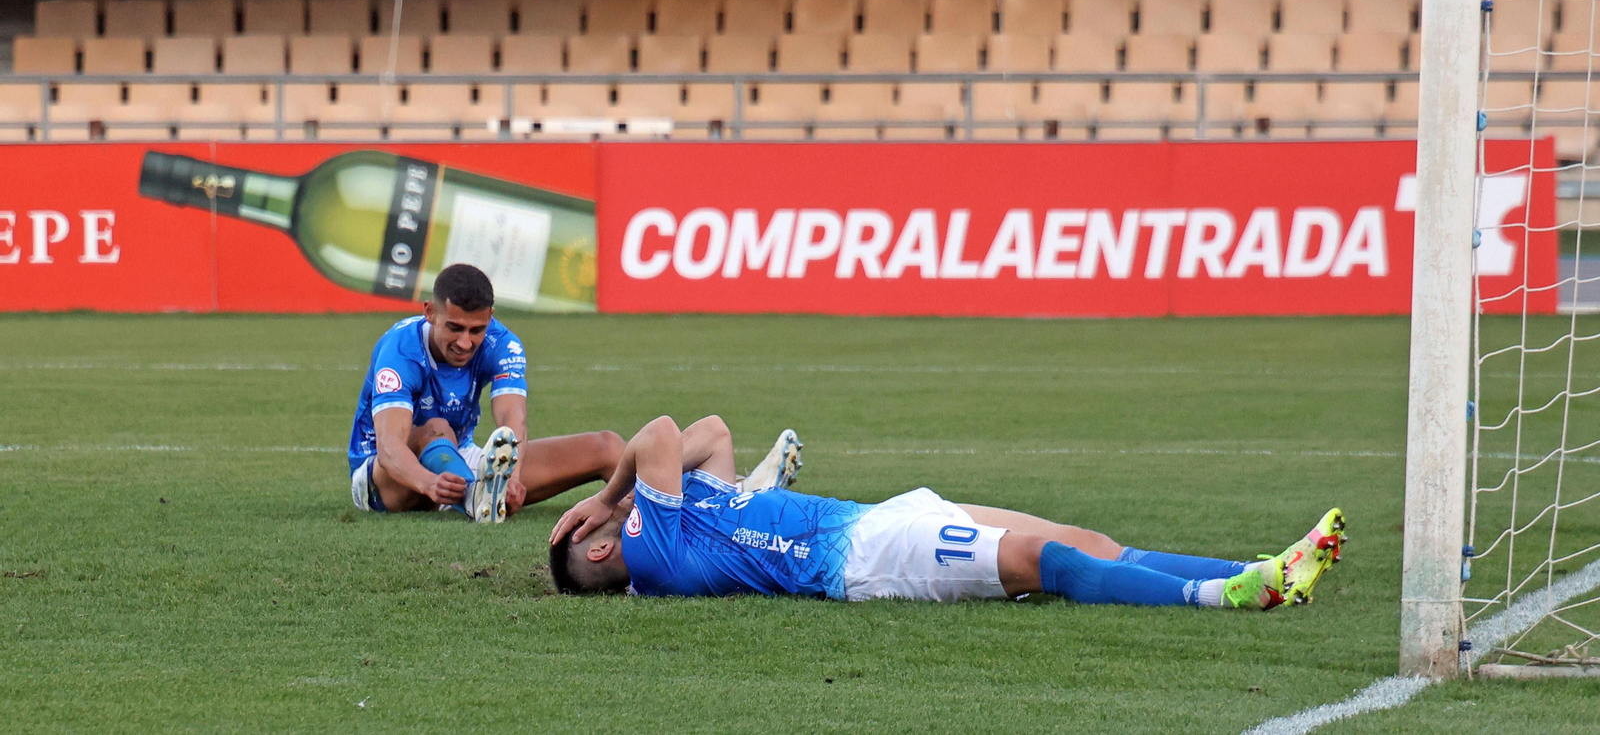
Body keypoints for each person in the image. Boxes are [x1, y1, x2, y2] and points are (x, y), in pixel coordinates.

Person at [549, 416, 1346, 608]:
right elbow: (656, 434)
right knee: (1046, 563)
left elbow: (712, 432)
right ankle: (1222, 596)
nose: (603, 522)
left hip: (879, 518)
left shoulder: (682, 516)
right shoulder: (653, 550)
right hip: (869, 558)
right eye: (593, 532)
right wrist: (606, 497)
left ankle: (1259, 571)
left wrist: (619, 497)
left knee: (1090, 541)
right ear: (593, 549)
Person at [347, 263, 625, 522]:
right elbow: (389, 447)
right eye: (454, 328)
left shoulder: (503, 344)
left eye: (476, 330)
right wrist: (429, 482)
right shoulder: (400, 349)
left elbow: (512, 417)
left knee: (608, 447)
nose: (465, 343)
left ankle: (658, 517)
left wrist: (513, 479)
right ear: (430, 312)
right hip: (386, 477)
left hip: (457, 460)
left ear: (490, 318)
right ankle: (475, 496)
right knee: (436, 428)